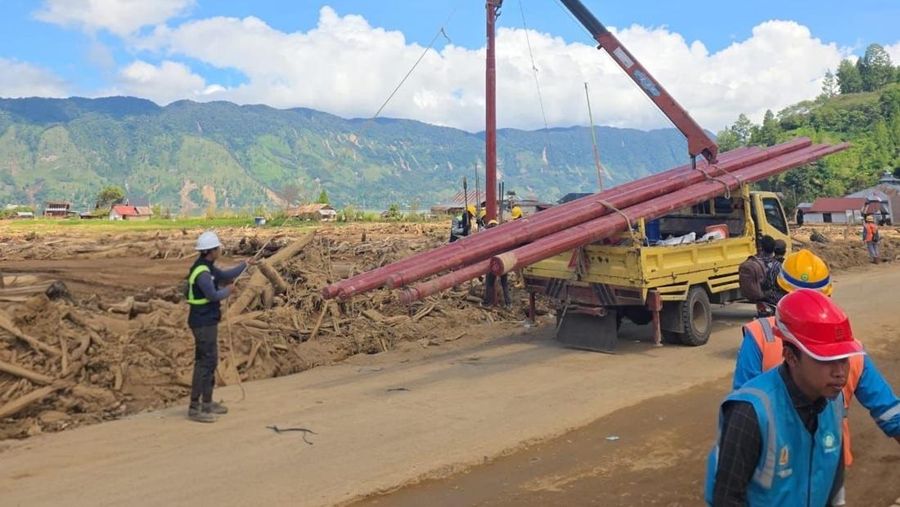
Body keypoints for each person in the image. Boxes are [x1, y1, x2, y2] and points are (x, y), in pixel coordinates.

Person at [733, 249, 900, 504]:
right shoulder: (851, 349)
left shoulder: (761, 335)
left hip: (774, 469)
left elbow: (742, 405)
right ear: (828, 297)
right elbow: (890, 412)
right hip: (826, 464)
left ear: (781, 291)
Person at [706, 289, 865, 506]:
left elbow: (833, 484)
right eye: (826, 360)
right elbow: (727, 498)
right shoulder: (750, 413)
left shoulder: (833, 402)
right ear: (791, 356)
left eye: (844, 359)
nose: (840, 372)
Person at [185, 231, 255, 423]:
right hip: (202, 322)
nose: (220, 250)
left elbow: (225, 275)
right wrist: (228, 291)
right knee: (204, 363)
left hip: (207, 320)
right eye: (217, 248)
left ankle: (207, 403)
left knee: (211, 361)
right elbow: (213, 295)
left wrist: (245, 264)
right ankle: (195, 407)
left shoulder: (207, 267)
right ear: (211, 251)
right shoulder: (202, 273)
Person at [739, 235, 777, 315]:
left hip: (759, 296)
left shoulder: (754, 261)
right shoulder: (777, 264)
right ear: (774, 248)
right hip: (772, 297)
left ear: (761, 248)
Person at [482, 219, 511, 307]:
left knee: (489, 283)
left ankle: (488, 302)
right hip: (503, 261)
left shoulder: (488, 238)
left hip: (493, 263)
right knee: (504, 283)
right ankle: (508, 303)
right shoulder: (502, 237)